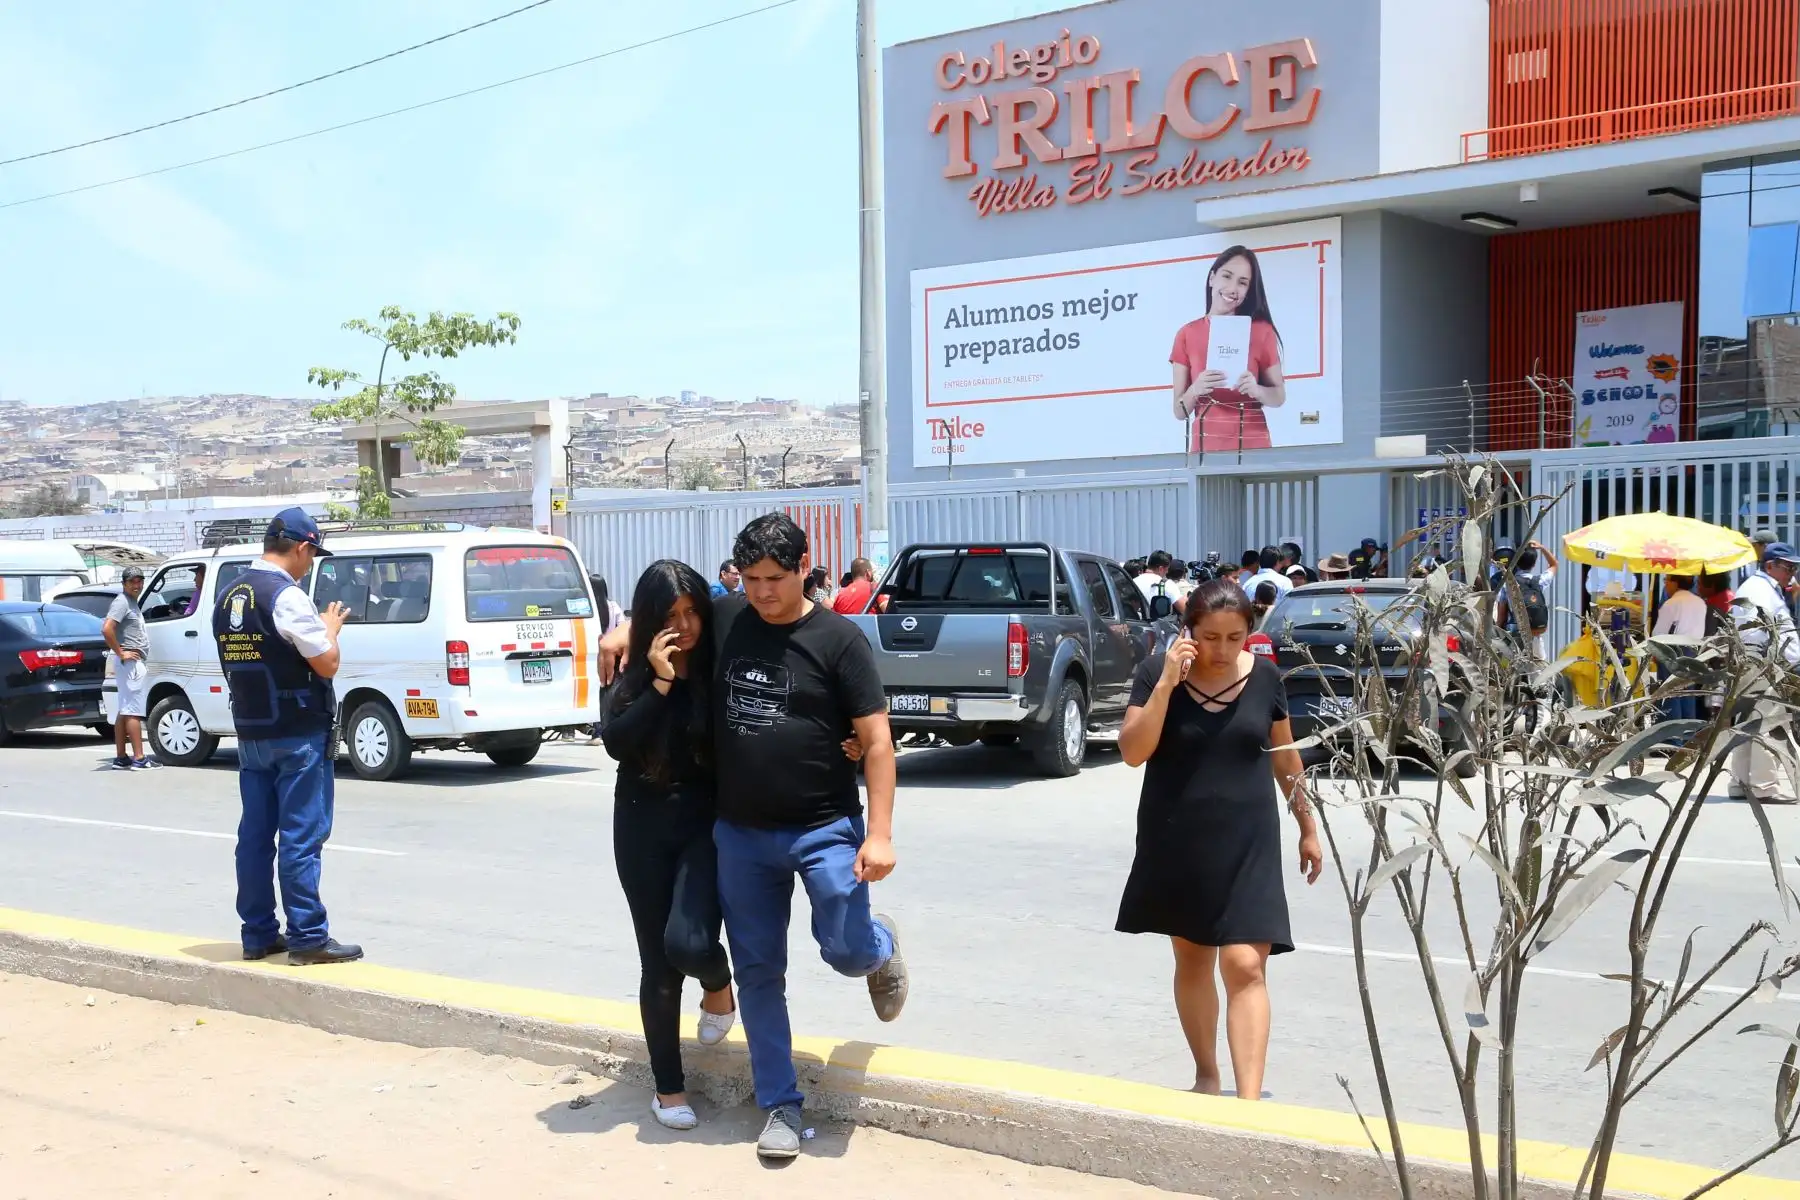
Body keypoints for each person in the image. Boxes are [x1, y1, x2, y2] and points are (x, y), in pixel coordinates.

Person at [1116, 580, 1322, 1099]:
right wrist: (1166, 683)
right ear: (1189, 632)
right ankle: (1207, 1075)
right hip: (1176, 837)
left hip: (1249, 837)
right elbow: (1134, 751)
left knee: (1245, 962)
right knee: (1193, 959)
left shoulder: (1267, 676)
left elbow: (1286, 757)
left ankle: (1249, 1101)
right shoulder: (1154, 675)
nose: (1223, 650)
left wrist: (1308, 826)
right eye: (1210, 638)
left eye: (1235, 638)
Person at [600, 561, 740, 1131]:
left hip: (703, 824)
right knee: (656, 963)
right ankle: (668, 1088)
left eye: (690, 614)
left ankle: (718, 983)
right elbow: (616, 741)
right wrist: (659, 679)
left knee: (690, 941)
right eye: (670, 616)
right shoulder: (630, 666)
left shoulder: (717, 653)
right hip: (640, 824)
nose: (683, 627)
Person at [213, 508, 361, 965]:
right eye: (312, 554)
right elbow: (327, 663)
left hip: (252, 733)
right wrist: (330, 630)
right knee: (301, 836)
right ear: (301, 547)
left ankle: (257, 934)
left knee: (255, 838)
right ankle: (308, 937)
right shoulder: (286, 596)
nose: (311, 563)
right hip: (297, 734)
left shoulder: (228, 594)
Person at [1170, 246, 1287, 454]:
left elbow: (1278, 396)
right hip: (1206, 450)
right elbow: (1179, 411)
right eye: (1227, 276)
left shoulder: (1261, 332)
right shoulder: (1186, 334)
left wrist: (1257, 390)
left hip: (1254, 447)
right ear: (1212, 278)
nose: (1233, 288)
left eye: (1242, 283)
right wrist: (1196, 389)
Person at [1730, 543, 1800, 804]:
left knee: (1748, 722)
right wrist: (1786, 662)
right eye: (1788, 567)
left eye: (1795, 568)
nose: (1792, 573)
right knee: (1767, 724)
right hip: (1766, 665)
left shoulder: (1761, 588)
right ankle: (1764, 786)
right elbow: (1759, 630)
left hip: (1754, 664)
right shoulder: (1760, 590)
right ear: (1770, 565)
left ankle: (1740, 782)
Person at [103, 566, 157, 770]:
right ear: (124, 584)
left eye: (139, 581)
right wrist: (120, 652)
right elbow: (107, 629)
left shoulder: (131, 602)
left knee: (124, 710)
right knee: (133, 711)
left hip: (131, 663)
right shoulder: (122, 602)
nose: (137, 585)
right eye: (132, 581)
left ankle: (121, 757)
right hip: (130, 663)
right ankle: (139, 758)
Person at [1652, 575, 1708, 721]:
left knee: (1670, 695)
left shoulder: (1671, 603)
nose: (1665, 585)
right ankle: (1687, 733)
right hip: (1694, 651)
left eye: (1667, 581)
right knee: (1688, 692)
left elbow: (1658, 633)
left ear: (1675, 583)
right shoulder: (1700, 603)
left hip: (1673, 651)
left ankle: (1671, 736)